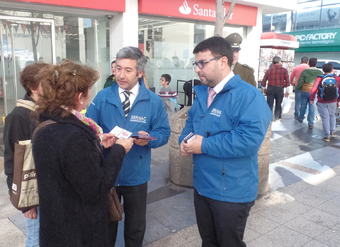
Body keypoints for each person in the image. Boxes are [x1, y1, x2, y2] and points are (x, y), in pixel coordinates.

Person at [179, 36, 271, 247]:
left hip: (231, 192)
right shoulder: (202, 92)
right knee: (208, 241)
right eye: (196, 63)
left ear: (223, 61)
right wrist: (186, 141)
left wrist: (203, 145)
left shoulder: (249, 96)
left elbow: (248, 140)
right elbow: (191, 125)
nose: (197, 69)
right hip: (203, 186)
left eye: (202, 63)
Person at [32, 60, 133, 247]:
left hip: (55, 227)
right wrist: (120, 149)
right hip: (77, 232)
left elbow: (68, 166)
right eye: (89, 90)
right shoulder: (73, 135)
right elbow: (95, 189)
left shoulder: (46, 125)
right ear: (80, 96)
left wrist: (97, 146)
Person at [86, 46, 170, 247]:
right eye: (118, 68)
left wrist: (150, 138)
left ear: (140, 73)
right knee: (106, 225)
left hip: (136, 175)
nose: (120, 75)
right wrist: (101, 138)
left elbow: (163, 133)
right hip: (107, 173)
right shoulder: (102, 97)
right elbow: (89, 129)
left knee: (135, 227)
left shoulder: (153, 101)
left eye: (128, 70)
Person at [3, 62, 48, 247]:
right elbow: (13, 161)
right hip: (33, 194)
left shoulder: (47, 110)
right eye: (48, 81)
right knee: (36, 238)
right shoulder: (19, 116)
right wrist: (25, 204)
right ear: (33, 87)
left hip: (50, 190)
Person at [310, 63, 340, 141]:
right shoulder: (336, 78)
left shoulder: (319, 78)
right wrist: (338, 100)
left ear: (323, 70)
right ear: (332, 69)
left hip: (322, 101)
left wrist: (312, 99)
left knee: (325, 118)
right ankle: (332, 132)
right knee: (332, 115)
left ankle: (327, 135)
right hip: (333, 101)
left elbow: (313, 89)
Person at [296, 57, 323, 128]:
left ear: (309, 63)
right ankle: (311, 123)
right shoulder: (319, 72)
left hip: (305, 90)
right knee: (312, 106)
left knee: (303, 105)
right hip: (314, 91)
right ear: (316, 64)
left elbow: (300, 82)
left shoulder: (305, 71)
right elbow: (321, 83)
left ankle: (301, 118)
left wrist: (298, 88)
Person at [261, 56, 290, 120]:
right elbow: (288, 82)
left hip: (270, 88)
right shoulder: (284, 70)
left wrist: (264, 89)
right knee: (278, 104)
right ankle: (277, 118)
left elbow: (263, 82)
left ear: (273, 62)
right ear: (279, 62)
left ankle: (268, 117)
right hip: (280, 89)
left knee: (269, 104)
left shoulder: (269, 70)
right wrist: (287, 91)